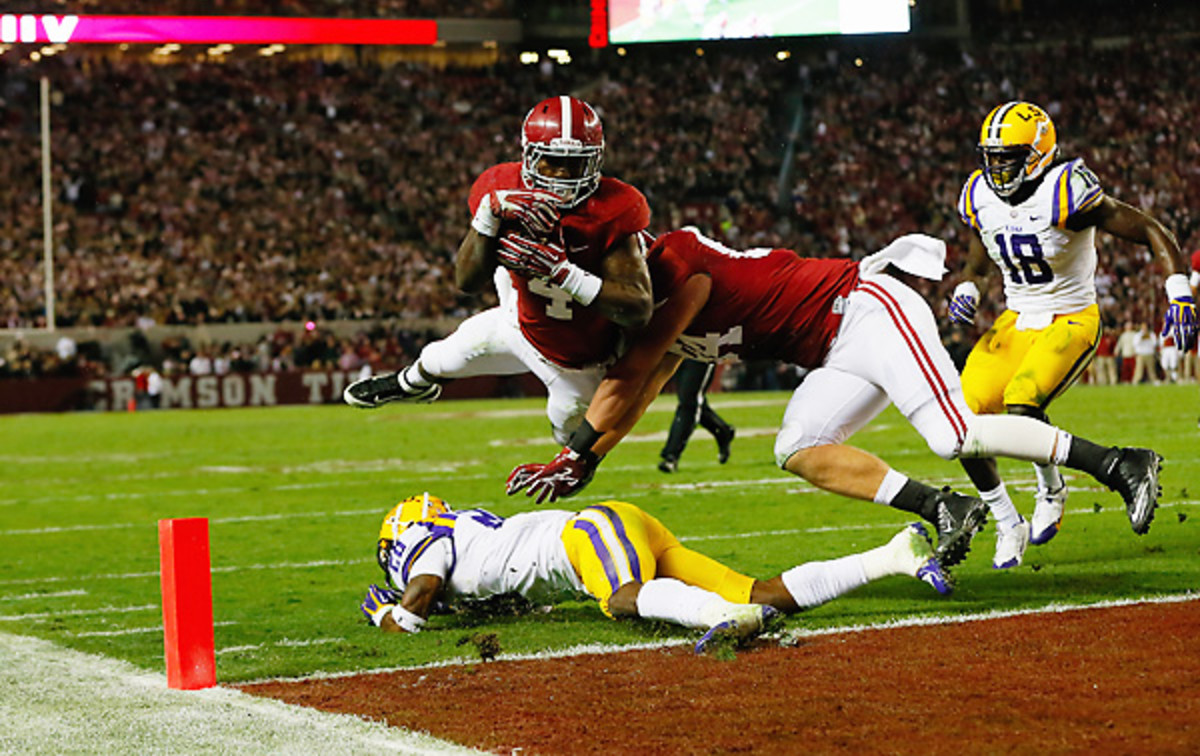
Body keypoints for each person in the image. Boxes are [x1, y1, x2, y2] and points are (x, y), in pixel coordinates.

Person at [506, 228, 1165, 567]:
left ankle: (1120, 463)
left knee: (952, 434)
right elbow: (641, 391)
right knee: (797, 446)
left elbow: (635, 371)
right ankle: (944, 506)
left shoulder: (679, 269)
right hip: (831, 349)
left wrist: (576, 457)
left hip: (865, 310)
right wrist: (585, 460)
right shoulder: (660, 311)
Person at [949, 100, 1194, 568]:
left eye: (1008, 156)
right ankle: (1007, 520)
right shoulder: (979, 193)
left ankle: (1051, 489)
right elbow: (982, 250)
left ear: (1038, 153)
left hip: (1071, 317)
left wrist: (1178, 291)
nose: (997, 166)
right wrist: (970, 285)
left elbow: (1148, 229)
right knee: (960, 422)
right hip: (1017, 319)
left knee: (1022, 401)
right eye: (992, 156)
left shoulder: (1065, 191)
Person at [344, 96, 654, 444]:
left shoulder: (614, 208)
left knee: (571, 433)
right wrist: (487, 218)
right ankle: (410, 384)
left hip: (579, 359)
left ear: (596, 161)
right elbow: (466, 282)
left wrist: (562, 272)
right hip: (517, 320)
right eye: (552, 162)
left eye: (575, 164)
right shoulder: (501, 186)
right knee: (443, 356)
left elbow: (638, 309)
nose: (563, 174)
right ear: (530, 156)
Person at [359, 492, 951, 653]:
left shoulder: (422, 540)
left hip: (587, 535)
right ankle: (891, 556)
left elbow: (422, 594)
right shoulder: (466, 535)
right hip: (610, 528)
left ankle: (727, 619)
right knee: (760, 589)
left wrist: (388, 613)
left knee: (621, 599)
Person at [657, 358, 735, 474]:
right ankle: (723, 431)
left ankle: (671, 456)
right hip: (680, 353)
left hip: (702, 353)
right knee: (690, 401)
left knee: (689, 404)